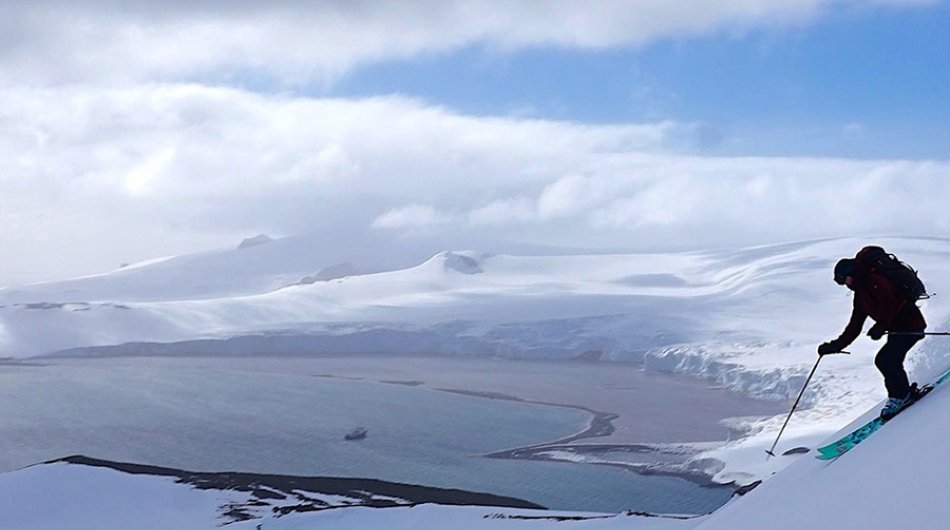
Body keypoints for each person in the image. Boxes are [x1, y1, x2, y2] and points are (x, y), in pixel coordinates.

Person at [818, 255, 927, 420]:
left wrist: (881, 325)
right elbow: (855, 326)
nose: (845, 285)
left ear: (851, 274)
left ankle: (900, 397)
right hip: (898, 330)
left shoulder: (875, 281)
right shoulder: (861, 296)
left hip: (910, 325)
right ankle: (902, 395)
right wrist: (835, 346)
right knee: (888, 359)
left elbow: (888, 302)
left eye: (844, 280)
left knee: (886, 360)